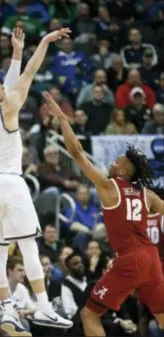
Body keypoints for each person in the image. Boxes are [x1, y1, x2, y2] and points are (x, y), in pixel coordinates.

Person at [0, 27, 73, 336]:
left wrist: (17, 50)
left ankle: (8, 313)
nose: (3, 85)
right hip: (9, 184)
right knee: (28, 246)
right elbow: (27, 75)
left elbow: (12, 82)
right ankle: (43, 307)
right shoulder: (9, 108)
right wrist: (42, 43)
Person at [43, 91, 164, 336]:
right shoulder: (147, 195)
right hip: (151, 258)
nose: (112, 162)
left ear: (125, 170)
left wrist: (64, 120)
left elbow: (76, 152)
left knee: (89, 314)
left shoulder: (110, 186)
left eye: (117, 160)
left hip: (130, 258)